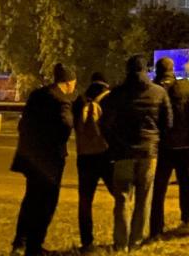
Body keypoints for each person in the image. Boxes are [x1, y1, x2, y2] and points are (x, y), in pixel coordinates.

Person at [101, 55, 172, 252]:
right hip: (148, 152)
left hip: (123, 152)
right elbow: (168, 124)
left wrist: (113, 142)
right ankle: (136, 242)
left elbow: (104, 122)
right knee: (144, 199)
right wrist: (155, 140)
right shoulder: (158, 93)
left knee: (122, 199)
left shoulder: (116, 94)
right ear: (145, 70)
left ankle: (120, 243)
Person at [10, 63, 77, 256]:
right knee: (46, 203)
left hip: (31, 157)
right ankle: (35, 246)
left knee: (31, 200)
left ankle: (20, 243)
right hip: (50, 160)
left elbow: (23, 124)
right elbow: (66, 126)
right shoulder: (61, 100)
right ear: (68, 82)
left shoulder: (37, 95)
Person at [150, 57, 189, 237]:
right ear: (173, 70)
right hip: (185, 144)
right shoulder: (187, 87)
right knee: (186, 181)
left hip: (163, 145)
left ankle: (156, 226)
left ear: (158, 70)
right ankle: (187, 219)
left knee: (159, 186)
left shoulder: (154, 89)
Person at [73, 71, 112, 253]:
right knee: (121, 195)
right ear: (105, 83)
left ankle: (87, 242)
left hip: (84, 156)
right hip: (105, 155)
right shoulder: (109, 99)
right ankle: (124, 235)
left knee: (85, 201)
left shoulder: (79, 100)